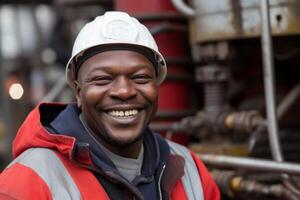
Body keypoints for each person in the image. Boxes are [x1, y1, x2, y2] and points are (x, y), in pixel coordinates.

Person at [0, 11, 220, 200]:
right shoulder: (28, 182)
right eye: (103, 79)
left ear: (156, 86)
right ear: (78, 91)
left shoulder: (191, 171)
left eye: (141, 78)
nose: (124, 91)